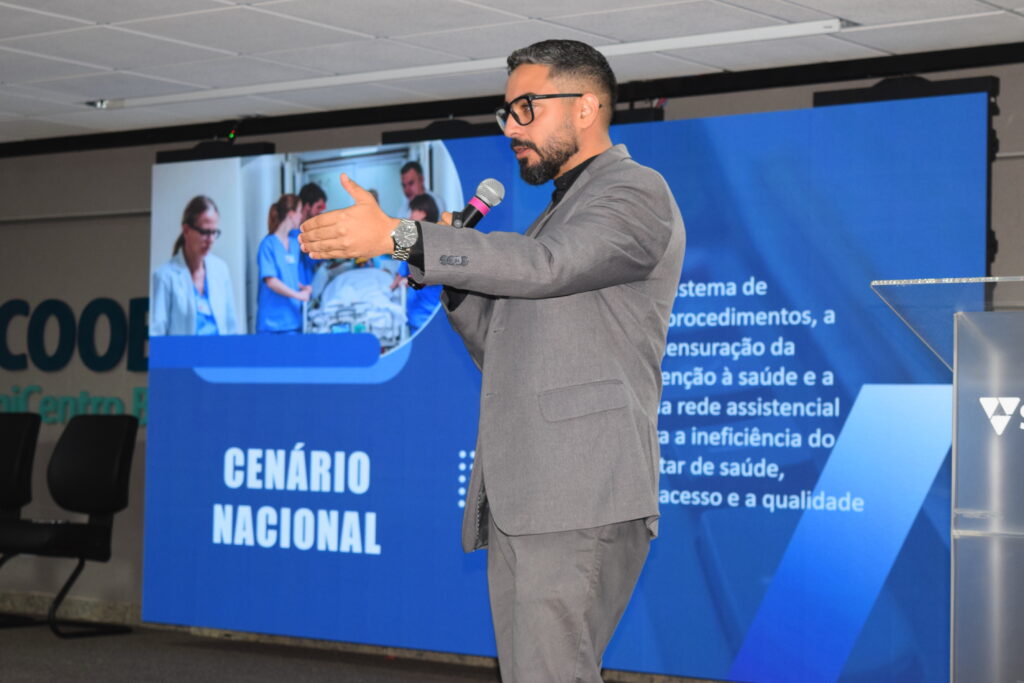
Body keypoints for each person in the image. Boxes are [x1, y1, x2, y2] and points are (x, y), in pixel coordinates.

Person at [299, 39, 685, 682]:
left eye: (527, 108)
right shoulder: (553, 216)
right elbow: (502, 345)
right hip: (528, 495)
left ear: (587, 107)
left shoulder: (635, 191)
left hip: (580, 492)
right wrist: (452, 276)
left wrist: (403, 237)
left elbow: (547, 267)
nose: (511, 127)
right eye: (507, 112)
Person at [151, 195, 241, 336]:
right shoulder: (165, 276)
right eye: (205, 232)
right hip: (184, 351)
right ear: (186, 230)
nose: (211, 240)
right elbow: (158, 333)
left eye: (214, 232)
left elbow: (231, 327)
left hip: (220, 350)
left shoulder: (221, 270)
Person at [256, 194, 311, 334]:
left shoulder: (294, 244)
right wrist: (298, 295)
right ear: (291, 214)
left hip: (293, 320)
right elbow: (271, 281)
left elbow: (287, 277)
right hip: (272, 324)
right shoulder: (268, 245)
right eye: (299, 211)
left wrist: (302, 287)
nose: (301, 216)